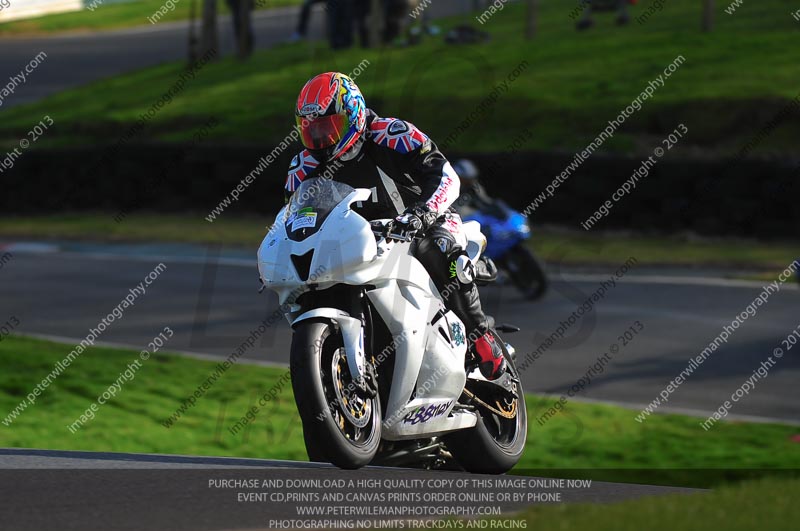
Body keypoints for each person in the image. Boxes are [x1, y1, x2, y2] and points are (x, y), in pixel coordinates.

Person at [285, 72, 506, 380]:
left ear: (353, 113)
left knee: (439, 248)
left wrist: (422, 213)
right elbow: (294, 219)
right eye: (313, 132)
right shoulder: (302, 168)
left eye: (329, 127)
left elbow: (445, 175)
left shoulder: (392, 133)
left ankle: (480, 337)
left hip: (423, 221)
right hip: (359, 241)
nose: (322, 140)